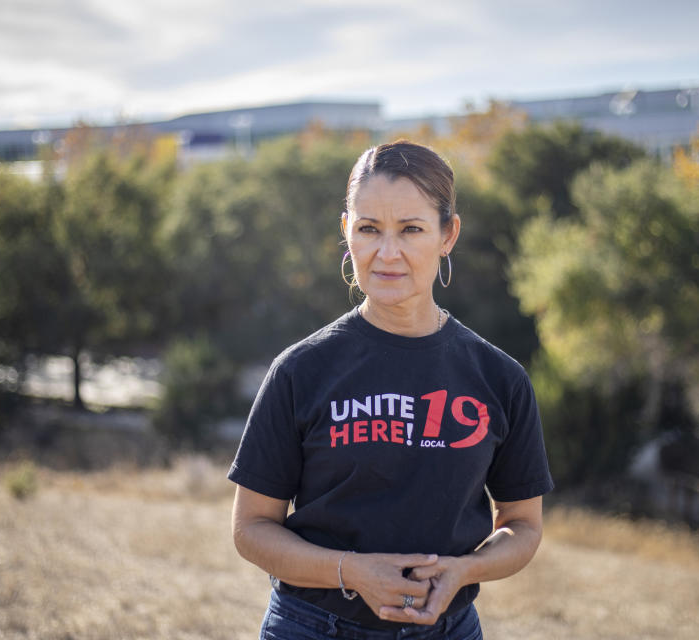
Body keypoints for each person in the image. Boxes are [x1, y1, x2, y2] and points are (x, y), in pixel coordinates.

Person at [229, 140, 553, 639]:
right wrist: (351, 572)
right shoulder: (301, 371)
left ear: (449, 234)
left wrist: (464, 570)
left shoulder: (499, 378)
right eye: (369, 229)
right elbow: (251, 530)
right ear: (347, 232)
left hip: (449, 629)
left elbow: (522, 525)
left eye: (411, 230)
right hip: (313, 626)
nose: (387, 253)